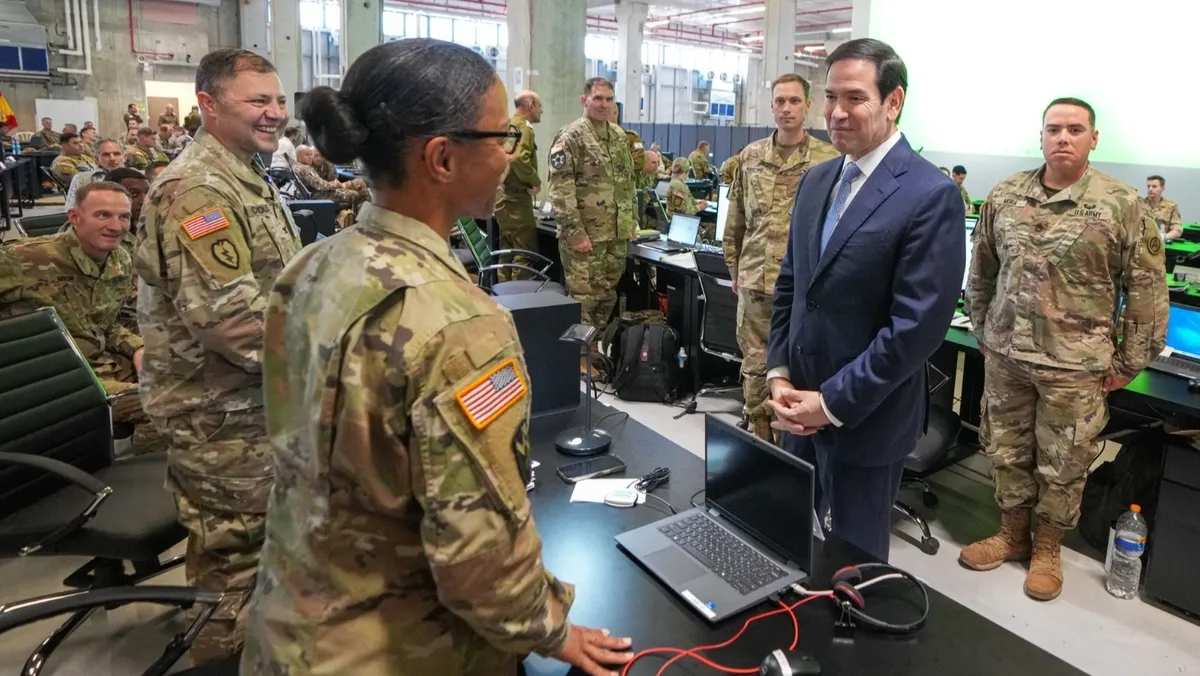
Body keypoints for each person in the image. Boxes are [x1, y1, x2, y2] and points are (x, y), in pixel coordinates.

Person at [239, 37, 633, 676]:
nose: (510, 155)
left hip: (292, 625)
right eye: (502, 137)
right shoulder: (460, 324)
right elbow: (479, 561)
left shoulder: (312, 266)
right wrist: (552, 629)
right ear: (443, 158)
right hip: (399, 649)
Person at [961, 97, 1168, 601]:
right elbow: (982, 270)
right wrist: (984, 331)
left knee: (1064, 461)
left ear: (1093, 139)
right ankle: (1012, 534)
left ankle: (1047, 548)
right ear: (1041, 137)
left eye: (1075, 129)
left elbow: (1145, 288)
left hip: (1076, 366)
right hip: (1008, 358)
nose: (1063, 137)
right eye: (1053, 128)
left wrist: (1129, 361)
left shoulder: (1122, 204)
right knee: (1007, 450)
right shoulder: (1006, 195)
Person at [766, 39, 965, 561]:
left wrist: (830, 404)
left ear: (893, 102)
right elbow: (792, 285)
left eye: (854, 97)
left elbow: (915, 329)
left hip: (865, 419)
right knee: (788, 545)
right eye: (831, 97)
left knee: (853, 569)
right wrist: (779, 373)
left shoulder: (929, 194)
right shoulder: (817, 181)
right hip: (797, 408)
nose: (836, 112)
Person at [134, 48, 299, 666]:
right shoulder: (198, 189)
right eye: (258, 100)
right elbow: (236, 326)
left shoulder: (243, 173)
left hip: (255, 405)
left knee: (264, 557)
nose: (275, 112)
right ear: (208, 104)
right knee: (235, 573)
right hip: (221, 418)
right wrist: (340, 360)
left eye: (278, 100)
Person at [0, 181, 162, 454]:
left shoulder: (120, 260)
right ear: (75, 217)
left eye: (123, 217)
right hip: (55, 377)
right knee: (165, 405)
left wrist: (138, 348)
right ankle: (131, 475)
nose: (116, 226)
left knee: (190, 378)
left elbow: (106, 324)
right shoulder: (25, 258)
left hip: (103, 363)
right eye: (103, 215)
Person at [724, 73, 839, 443]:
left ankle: (798, 446)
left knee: (803, 367)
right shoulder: (750, 157)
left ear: (808, 106)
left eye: (794, 101)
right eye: (779, 101)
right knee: (756, 368)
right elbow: (736, 220)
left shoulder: (829, 160)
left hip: (806, 287)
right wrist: (734, 269)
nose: (786, 108)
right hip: (755, 282)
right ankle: (762, 442)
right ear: (771, 106)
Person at [548, 77, 637, 376]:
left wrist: (630, 222)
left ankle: (593, 347)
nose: (603, 104)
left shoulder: (618, 135)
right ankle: (577, 356)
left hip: (615, 234)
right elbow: (561, 191)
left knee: (607, 295)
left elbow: (627, 183)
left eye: (608, 99)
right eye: (597, 98)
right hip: (585, 235)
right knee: (584, 299)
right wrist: (575, 233)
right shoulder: (571, 137)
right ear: (584, 100)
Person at [492, 90, 543, 281]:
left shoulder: (508, 125)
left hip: (503, 197)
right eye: (540, 106)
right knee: (525, 251)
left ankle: (503, 292)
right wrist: (535, 181)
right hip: (517, 200)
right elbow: (519, 159)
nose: (541, 111)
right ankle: (520, 295)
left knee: (508, 249)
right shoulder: (525, 129)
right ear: (531, 105)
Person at [292, 144, 368, 213]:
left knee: (359, 183)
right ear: (298, 156)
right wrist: (334, 184)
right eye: (307, 155)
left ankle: (367, 211)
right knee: (356, 195)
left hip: (323, 191)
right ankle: (366, 213)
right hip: (320, 195)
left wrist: (335, 184)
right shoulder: (305, 169)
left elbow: (333, 178)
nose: (310, 157)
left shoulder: (297, 166)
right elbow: (320, 185)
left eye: (310, 154)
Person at [66, 138, 127, 209]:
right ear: (96, 159)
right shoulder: (82, 179)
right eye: (106, 155)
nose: (112, 158)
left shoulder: (135, 177)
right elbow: (71, 209)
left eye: (116, 154)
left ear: (124, 157)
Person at [1144, 174, 1183, 239]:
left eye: (1154, 186)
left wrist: (1164, 237)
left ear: (1162, 188)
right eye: (1148, 186)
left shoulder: (1171, 206)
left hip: (1162, 242)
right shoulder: (1139, 204)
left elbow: (1177, 229)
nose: (1150, 189)